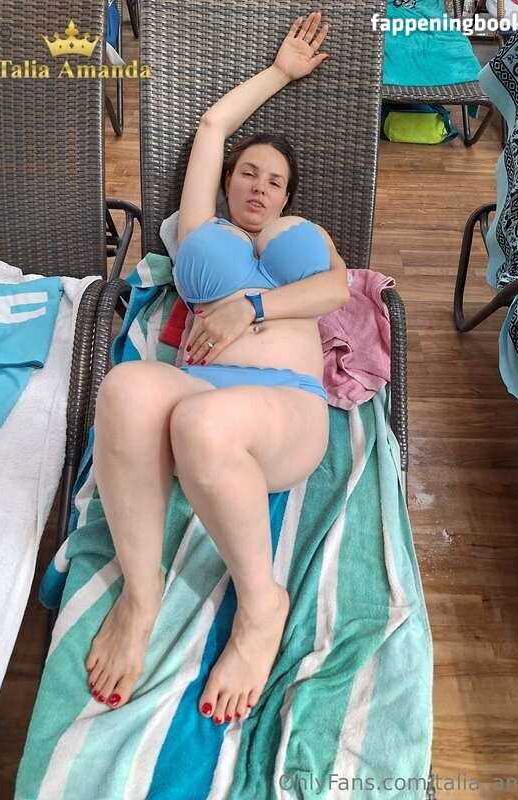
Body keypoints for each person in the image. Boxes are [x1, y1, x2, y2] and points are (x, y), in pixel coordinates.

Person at [86, 10, 349, 726]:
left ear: (289, 197)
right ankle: (142, 594)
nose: (260, 187)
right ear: (227, 180)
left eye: (276, 181)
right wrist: (279, 74)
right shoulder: (201, 231)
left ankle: (262, 606)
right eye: (248, 173)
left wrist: (249, 308)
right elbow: (211, 126)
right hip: (203, 386)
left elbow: (337, 289)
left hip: (284, 407)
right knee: (127, 388)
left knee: (202, 424)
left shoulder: (306, 237)